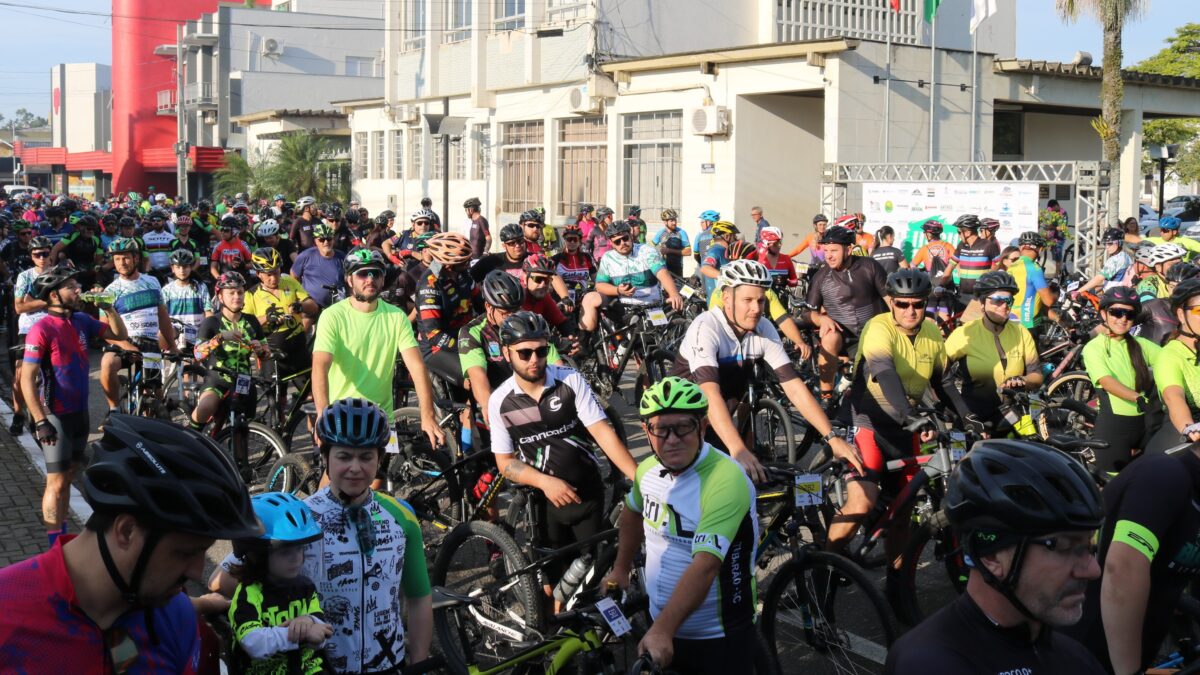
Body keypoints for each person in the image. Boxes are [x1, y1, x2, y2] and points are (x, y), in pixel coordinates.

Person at [0, 415, 262, 672]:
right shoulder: (8, 616)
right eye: (185, 553)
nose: (197, 571)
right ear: (126, 531)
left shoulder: (175, 616)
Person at [885, 440, 1105, 674]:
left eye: (1088, 546)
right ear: (991, 555)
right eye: (1064, 547)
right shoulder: (928, 664)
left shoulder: (1074, 655)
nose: (1093, 570)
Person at [602, 377, 760, 674]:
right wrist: (621, 568)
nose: (672, 439)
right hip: (660, 623)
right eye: (661, 429)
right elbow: (633, 512)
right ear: (647, 432)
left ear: (702, 427)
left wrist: (663, 629)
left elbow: (706, 565)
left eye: (683, 427)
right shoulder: (647, 470)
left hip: (716, 635)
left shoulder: (726, 480)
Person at [829, 269, 976, 570]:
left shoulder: (932, 332)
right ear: (891, 303)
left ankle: (899, 584)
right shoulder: (878, 328)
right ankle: (822, 570)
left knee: (903, 513)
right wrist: (910, 414)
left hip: (904, 425)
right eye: (902, 304)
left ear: (925, 305)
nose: (910, 311)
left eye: (918, 305)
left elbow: (944, 382)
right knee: (862, 503)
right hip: (867, 421)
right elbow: (884, 372)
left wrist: (968, 416)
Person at [490, 312, 637, 604]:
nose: (534, 359)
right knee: (553, 585)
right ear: (507, 353)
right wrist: (545, 482)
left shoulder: (570, 381)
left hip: (587, 493)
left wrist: (639, 477)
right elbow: (504, 462)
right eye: (525, 352)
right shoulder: (500, 401)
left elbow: (602, 432)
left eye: (542, 350)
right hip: (545, 503)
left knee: (590, 576)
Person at [675, 259, 860, 483]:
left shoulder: (763, 327)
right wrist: (738, 449)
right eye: (747, 300)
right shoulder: (706, 327)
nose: (756, 309)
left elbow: (794, 387)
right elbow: (709, 394)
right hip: (681, 423)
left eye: (761, 300)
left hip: (717, 419)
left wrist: (832, 438)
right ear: (726, 298)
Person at [306, 399, 433, 671]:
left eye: (366, 457)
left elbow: (419, 597)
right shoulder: (301, 519)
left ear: (380, 459)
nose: (355, 467)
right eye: (344, 456)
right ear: (325, 456)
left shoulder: (402, 517)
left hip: (388, 664)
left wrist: (419, 663)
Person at [21, 266, 128, 544]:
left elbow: (120, 334)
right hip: (54, 415)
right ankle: (53, 544)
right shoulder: (41, 328)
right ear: (55, 294)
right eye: (71, 286)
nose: (78, 290)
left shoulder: (81, 319)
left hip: (79, 413)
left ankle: (62, 531)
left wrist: (110, 307)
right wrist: (40, 420)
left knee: (69, 475)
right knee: (55, 482)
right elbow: (26, 380)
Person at [312, 247, 444, 446]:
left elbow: (417, 367)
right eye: (363, 274)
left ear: (383, 279)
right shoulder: (332, 316)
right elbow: (320, 367)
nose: (370, 279)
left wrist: (428, 415)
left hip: (382, 418)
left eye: (376, 273)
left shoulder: (396, 316)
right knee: (337, 475)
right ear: (349, 280)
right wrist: (323, 415)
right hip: (342, 415)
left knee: (381, 475)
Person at [227, 493, 330, 675]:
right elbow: (253, 643)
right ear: (257, 554)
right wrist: (301, 634)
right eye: (285, 552)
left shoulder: (305, 587)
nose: (297, 558)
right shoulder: (248, 593)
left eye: (300, 549)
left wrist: (309, 621)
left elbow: (321, 628)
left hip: (306, 668)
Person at [945, 271, 1043, 430]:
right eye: (997, 301)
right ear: (982, 304)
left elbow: (1037, 376)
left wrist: (1024, 380)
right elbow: (938, 375)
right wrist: (950, 407)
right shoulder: (964, 333)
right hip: (973, 418)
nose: (1004, 306)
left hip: (1011, 417)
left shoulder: (1021, 332)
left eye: (1008, 300)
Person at [802, 225, 889, 401]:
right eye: (826, 250)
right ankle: (826, 396)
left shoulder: (870, 266)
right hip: (845, 337)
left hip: (874, 333)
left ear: (849, 249)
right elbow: (806, 313)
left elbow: (891, 301)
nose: (828, 256)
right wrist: (820, 319)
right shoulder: (821, 277)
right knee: (829, 337)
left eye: (834, 250)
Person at [1082, 286, 1161, 474]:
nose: (1123, 318)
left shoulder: (1141, 344)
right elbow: (1107, 382)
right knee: (1112, 487)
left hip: (1146, 425)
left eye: (1129, 314)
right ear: (1104, 314)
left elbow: (1170, 360)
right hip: (1115, 428)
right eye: (1116, 312)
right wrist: (1137, 398)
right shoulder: (1094, 348)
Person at [98, 237, 178, 416]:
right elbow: (104, 329)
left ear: (136, 258)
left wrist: (172, 346)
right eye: (117, 259)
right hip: (124, 343)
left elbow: (163, 316)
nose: (121, 263)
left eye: (125, 258)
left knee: (155, 400)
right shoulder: (110, 291)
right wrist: (127, 346)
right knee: (107, 363)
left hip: (150, 342)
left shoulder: (152, 282)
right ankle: (113, 409)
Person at [189, 272, 270, 436]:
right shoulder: (212, 322)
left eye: (240, 292)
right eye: (231, 293)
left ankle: (240, 461)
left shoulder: (251, 321)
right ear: (220, 297)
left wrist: (261, 350)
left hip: (244, 380)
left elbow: (266, 354)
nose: (236, 297)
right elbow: (197, 355)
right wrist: (220, 338)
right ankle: (189, 439)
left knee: (242, 429)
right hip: (218, 379)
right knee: (205, 407)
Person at [578, 219, 685, 337]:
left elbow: (662, 272)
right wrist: (617, 290)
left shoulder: (646, 251)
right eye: (617, 242)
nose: (622, 243)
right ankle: (583, 344)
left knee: (654, 343)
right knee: (590, 297)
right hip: (624, 307)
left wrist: (674, 294)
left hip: (651, 306)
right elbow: (600, 285)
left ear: (631, 236)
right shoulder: (608, 258)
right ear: (611, 244)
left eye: (625, 238)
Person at [413, 234, 479, 386]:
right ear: (449, 264)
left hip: (463, 336)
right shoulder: (429, 285)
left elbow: (481, 305)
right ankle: (468, 410)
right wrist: (467, 346)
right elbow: (434, 335)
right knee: (475, 376)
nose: (469, 264)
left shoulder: (463, 275)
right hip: (435, 348)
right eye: (465, 261)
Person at [1144, 279, 1200, 454]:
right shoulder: (1169, 356)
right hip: (1181, 439)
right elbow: (1173, 397)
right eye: (1199, 310)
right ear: (1181, 315)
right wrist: (1189, 428)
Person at [9, 234, 55, 435]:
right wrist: (49, 303)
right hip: (29, 329)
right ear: (31, 256)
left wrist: (33, 302)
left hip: (55, 327)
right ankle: (19, 414)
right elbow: (19, 307)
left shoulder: (60, 274)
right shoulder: (25, 276)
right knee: (20, 375)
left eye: (45, 254)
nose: (42, 258)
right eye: (37, 255)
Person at [160, 248, 212, 348]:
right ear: (172, 268)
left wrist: (208, 334)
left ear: (191, 267)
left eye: (185, 267)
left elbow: (208, 312)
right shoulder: (166, 290)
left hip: (197, 335)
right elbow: (162, 316)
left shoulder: (201, 287)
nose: (182, 270)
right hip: (174, 336)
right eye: (178, 267)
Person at [1009, 232, 1059, 332]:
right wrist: (1056, 294)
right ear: (1040, 249)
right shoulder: (1034, 269)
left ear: (1020, 247)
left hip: (1011, 318)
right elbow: (1048, 301)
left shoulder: (1012, 266)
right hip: (1028, 323)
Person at [290, 222, 346, 308]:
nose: (326, 242)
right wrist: (300, 294)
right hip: (313, 306)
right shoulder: (306, 255)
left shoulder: (342, 257)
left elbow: (349, 279)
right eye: (322, 240)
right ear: (315, 241)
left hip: (337, 305)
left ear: (333, 239)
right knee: (306, 320)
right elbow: (294, 275)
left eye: (329, 239)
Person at [1076, 228, 1133, 297]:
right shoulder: (1126, 256)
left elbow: (1099, 278)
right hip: (1123, 293)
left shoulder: (1115, 260)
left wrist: (1078, 291)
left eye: (1110, 244)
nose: (1106, 247)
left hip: (1112, 296)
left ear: (1119, 243)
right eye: (1105, 244)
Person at [551, 224, 596, 302]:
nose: (572, 242)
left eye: (575, 239)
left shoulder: (587, 257)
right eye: (569, 239)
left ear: (579, 241)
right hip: (563, 298)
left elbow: (595, 278)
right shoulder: (556, 259)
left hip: (583, 296)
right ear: (565, 240)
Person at [698, 221, 740, 301]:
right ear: (727, 236)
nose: (736, 239)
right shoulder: (716, 250)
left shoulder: (723, 250)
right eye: (734, 236)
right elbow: (705, 268)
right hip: (718, 304)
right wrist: (728, 277)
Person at [652, 209, 691, 278]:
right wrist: (658, 251)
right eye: (671, 220)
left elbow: (688, 252)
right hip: (663, 268)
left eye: (675, 220)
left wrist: (669, 251)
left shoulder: (681, 232)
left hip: (677, 268)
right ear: (665, 222)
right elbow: (651, 248)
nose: (674, 223)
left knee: (677, 288)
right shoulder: (660, 233)